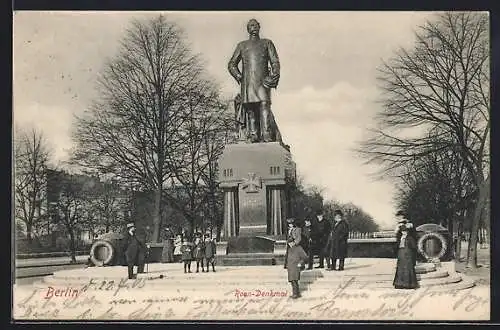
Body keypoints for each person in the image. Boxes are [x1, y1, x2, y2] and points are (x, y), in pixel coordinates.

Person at [228, 18, 281, 143]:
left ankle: (267, 135)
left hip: (263, 82)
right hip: (248, 83)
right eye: (251, 25)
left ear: (259, 27)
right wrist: (239, 76)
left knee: (264, 105)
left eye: (256, 25)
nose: (254, 27)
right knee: (251, 109)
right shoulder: (242, 45)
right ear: (248, 29)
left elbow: (275, 62)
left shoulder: (267, 43)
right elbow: (231, 64)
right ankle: (254, 135)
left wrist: (274, 75)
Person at [393, 211, 418, 289]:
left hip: (408, 246)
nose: (397, 218)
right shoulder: (400, 225)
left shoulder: (409, 224)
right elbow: (396, 234)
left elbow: (413, 233)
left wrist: (401, 226)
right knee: (401, 264)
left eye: (399, 216)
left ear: (403, 216)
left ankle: (408, 284)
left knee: (408, 264)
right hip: (402, 246)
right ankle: (400, 283)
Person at [285, 218, 308, 299]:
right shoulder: (289, 231)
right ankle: (296, 293)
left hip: (295, 261)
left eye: (291, 224)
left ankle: (296, 293)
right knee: (292, 278)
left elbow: (298, 239)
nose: (290, 225)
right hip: (291, 261)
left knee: (294, 278)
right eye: (289, 224)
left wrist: (294, 243)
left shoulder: (297, 230)